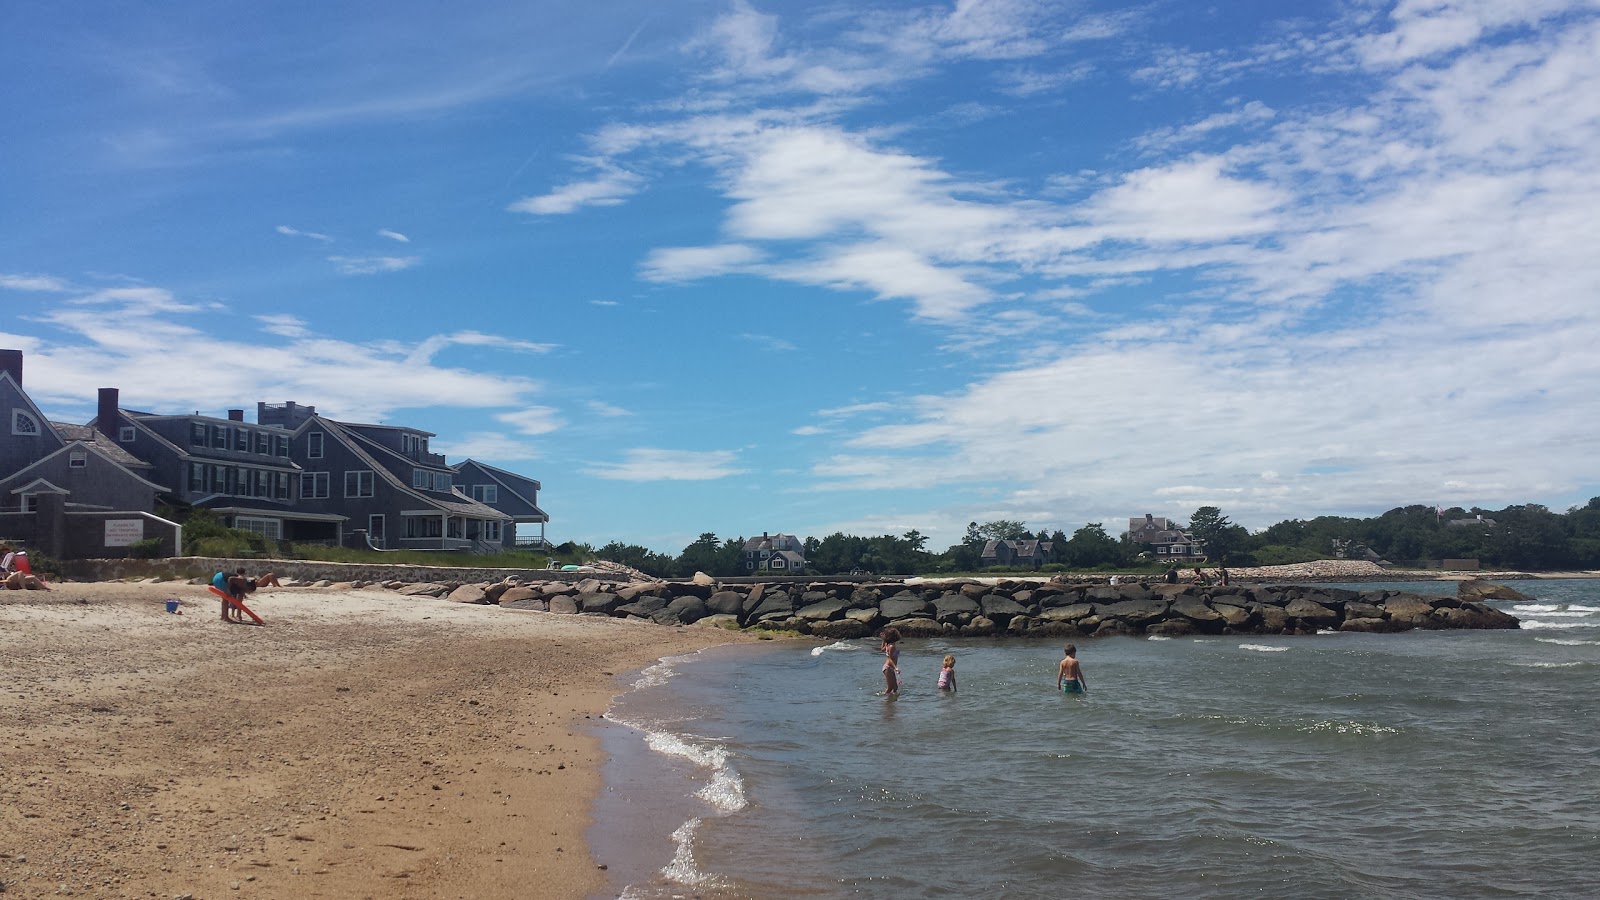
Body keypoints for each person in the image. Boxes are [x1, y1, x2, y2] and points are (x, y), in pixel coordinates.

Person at [879, 627, 902, 697]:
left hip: (890, 668)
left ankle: (891, 702)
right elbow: (890, 659)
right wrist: (896, 668)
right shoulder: (891, 646)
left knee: (895, 688)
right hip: (888, 668)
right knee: (890, 688)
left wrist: (883, 640)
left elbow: (882, 650)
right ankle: (885, 702)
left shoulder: (888, 644)